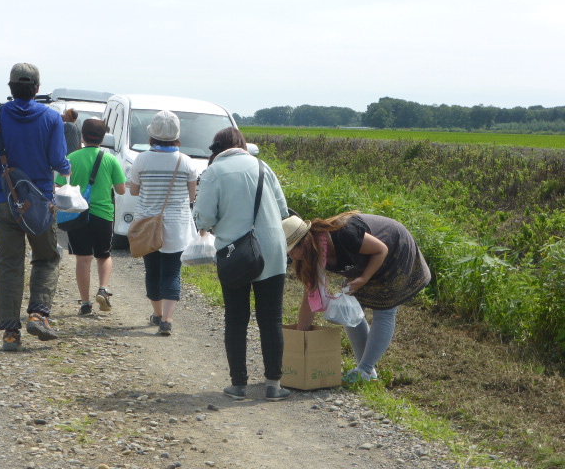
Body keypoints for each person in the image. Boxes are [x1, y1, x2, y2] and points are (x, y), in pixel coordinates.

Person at [0, 62, 71, 351]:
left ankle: (10, 333)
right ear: (37, 88)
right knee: (47, 258)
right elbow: (58, 161)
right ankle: (39, 314)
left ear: (11, 87)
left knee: (8, 267)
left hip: (6, 203)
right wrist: (67, 169)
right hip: (40, 204)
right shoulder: (51, 118)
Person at [193, 127, 291, 402]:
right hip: (272, 249)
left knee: (236, 318)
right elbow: (283, 210)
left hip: (235, 252)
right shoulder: (262, 167)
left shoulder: (213, 172)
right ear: (242, 144)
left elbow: (204, 218)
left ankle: (239, 385)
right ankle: (274, 385)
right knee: (271, 318)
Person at [282, 211, 431, 384]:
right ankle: (367, 372)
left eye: (292, 251)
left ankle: (365, 370)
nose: (292, 257)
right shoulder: (313, 254)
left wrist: (364, 278)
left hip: (394, 250)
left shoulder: (345, 234)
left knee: (385, 311)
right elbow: (310, 295)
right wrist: (301, 340)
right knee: (349, 310)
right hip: (365, 261)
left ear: (305, 242)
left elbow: (381, 249)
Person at [129, 110, 197, 336]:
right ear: (177, 134)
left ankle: (157, 314)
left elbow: (135, 191)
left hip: (147, 225)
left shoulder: (141, 159)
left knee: (152, 271)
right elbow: (192, 196)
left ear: (152, 134)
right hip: (177, 227)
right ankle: (167, 320)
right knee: (171, 272)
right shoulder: (186, 162)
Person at [55, 119, 126, 316]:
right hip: (103, 214)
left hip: (77, 213)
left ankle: (86, 304)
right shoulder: (110, 160)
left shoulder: (71, 158)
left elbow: (60, 185)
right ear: (103, 138)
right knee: (104, 255)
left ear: (82, 136)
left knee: (83, 258)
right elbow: (121, 190)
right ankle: (103, 288)